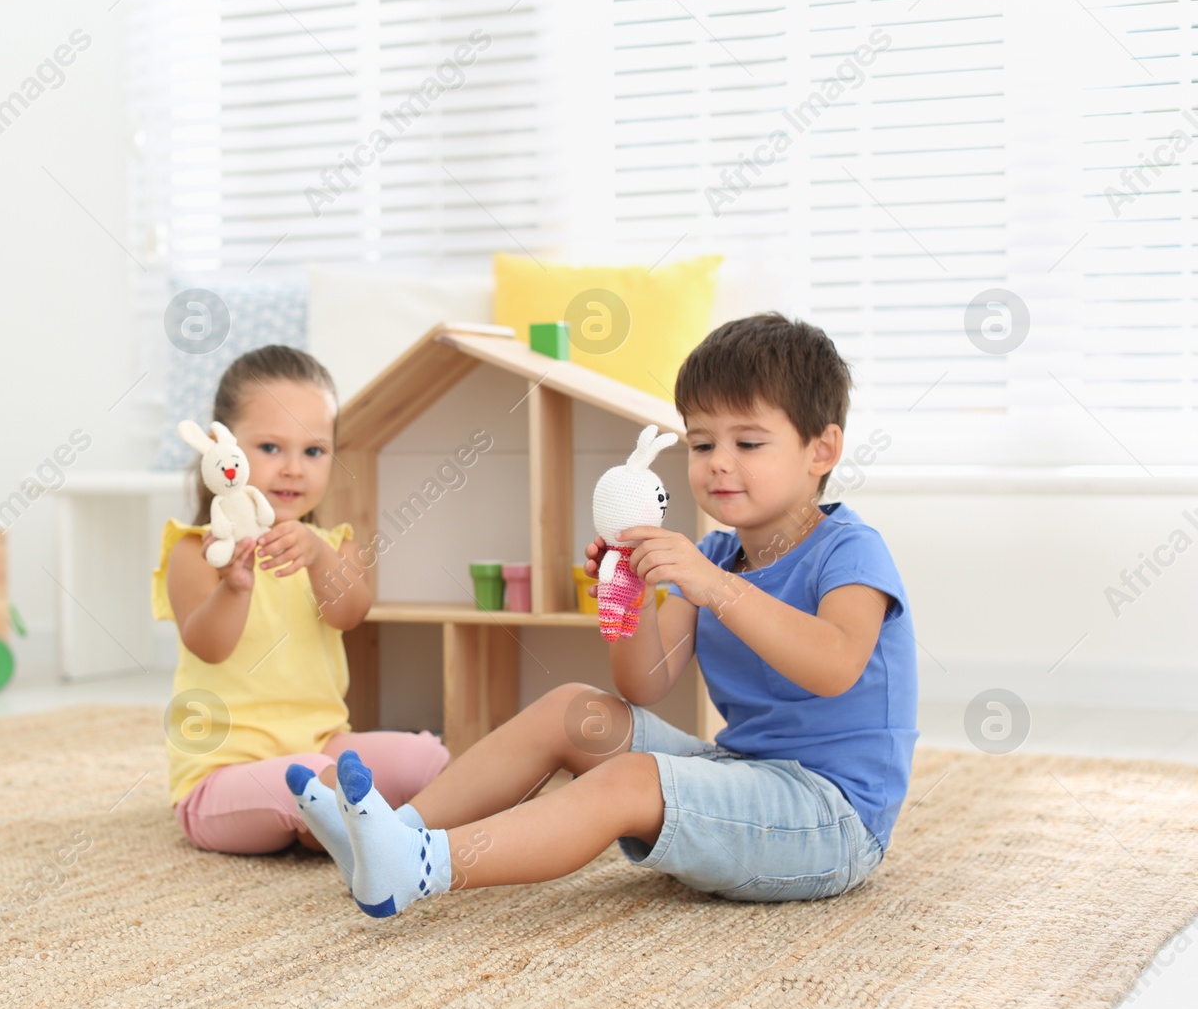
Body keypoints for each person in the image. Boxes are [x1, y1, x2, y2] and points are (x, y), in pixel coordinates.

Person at [288, 313, 918, 917]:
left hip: (832, 819)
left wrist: (714, 586)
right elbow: (644, 684)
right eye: (702, 443)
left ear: (822, 450)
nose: (719, 461)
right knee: (574, 709)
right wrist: (628, 599)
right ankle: (392, 834)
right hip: (746, 775)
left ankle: (420, 866)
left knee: (632, 782)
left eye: (748, 442)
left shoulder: (849, 551)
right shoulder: (717, 553)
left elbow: (835, 664)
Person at [153, 344, 450, 868]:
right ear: (225, 449)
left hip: (324, 745)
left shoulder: (335, 545)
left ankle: (361, 824)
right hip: (222, 775)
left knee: (427, 759)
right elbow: (210, 646)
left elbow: (349, 613)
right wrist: (235, 588)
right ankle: (370, 831)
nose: (293, 469)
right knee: (318, 781)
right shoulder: (194, 549)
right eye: (271, 447)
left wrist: (318, 557)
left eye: (314, 452)